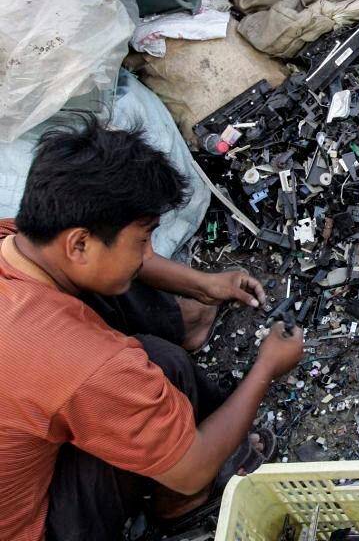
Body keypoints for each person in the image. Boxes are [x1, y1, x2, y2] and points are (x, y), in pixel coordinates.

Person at [0, 116, 305, 541]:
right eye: (143, 238)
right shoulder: (86, 367)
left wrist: (202, 284)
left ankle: (187, 324)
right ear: (80, 243)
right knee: (163, 365)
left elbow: (111, 266)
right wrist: (266, 368)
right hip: (36, 529)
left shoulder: (20, 243)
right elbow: (191, 466)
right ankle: (183, 506)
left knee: (112, 285)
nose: (147, 252)